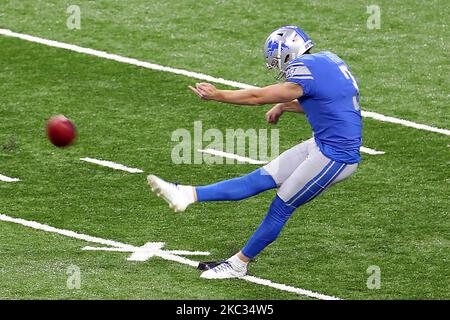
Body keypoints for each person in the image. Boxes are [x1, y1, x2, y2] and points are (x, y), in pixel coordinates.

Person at [147, 25, 362, 279]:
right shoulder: (327, 60)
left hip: (335, 156)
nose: (279, 69)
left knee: (281, 206)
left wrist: (218, 95)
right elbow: (327, 104)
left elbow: (257, 97)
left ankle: (239, 264)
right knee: (257, 179)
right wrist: (285, 107)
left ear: (286, 54)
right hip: (323, 144)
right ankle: (185, 194)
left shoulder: (305, 72)